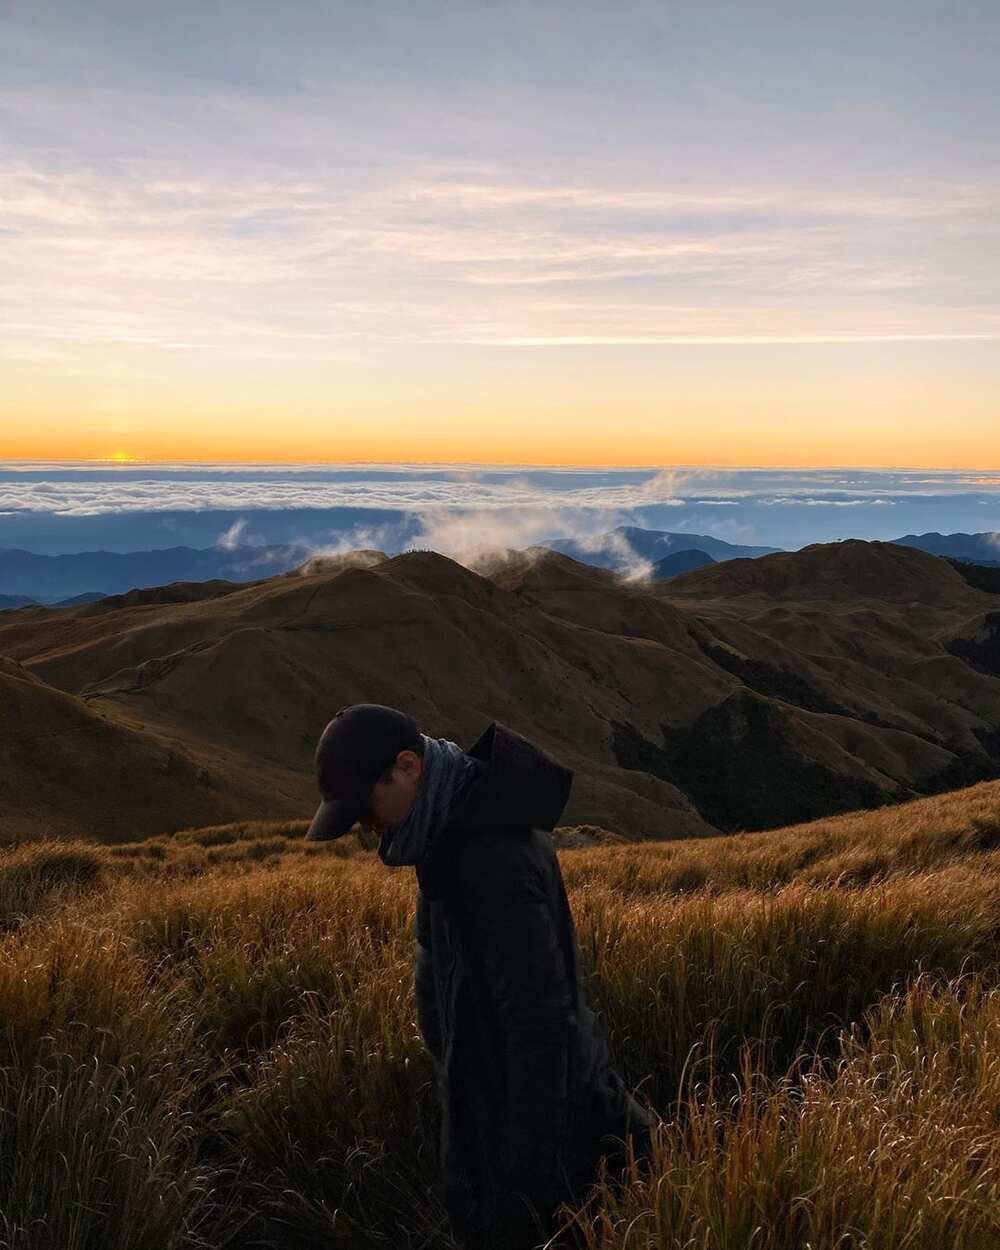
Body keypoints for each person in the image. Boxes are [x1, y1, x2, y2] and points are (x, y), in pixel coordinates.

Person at [306, 703, 654, 1250]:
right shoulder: (445, 839)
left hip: (536, 1131)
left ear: (407, 767)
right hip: (490, 1109)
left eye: (363, 807)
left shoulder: (490, 858)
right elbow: (445, 980)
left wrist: (525, 1181)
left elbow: (541, 1030)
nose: (364, 827)